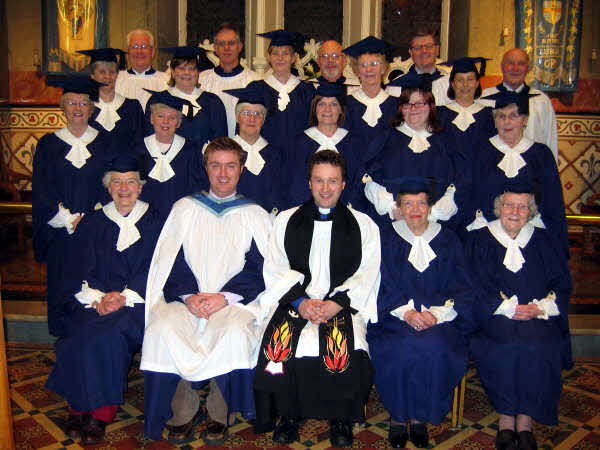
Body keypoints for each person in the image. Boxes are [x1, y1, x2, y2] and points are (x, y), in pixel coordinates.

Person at [141, 137, 272, 444]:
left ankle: (218, 409)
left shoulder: (254, 214)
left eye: (230, 166)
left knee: (233, 333)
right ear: (206, 168)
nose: (223, 173)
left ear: (241, 169)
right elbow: (167, 261)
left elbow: (262, 267)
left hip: (233, 301)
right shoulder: (184, 208)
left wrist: (223, 297)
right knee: (164, 328)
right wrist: (189, 297)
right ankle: (182, 409)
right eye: (216, 165)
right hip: (187, 299)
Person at [253, 150, 380, 447]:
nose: (325, 189)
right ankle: (288, 415)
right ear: (309, 183)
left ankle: (341, 418)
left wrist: (336, 303)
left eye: (332, 181)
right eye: (319, 181)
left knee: (349, 346)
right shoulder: (286, 221)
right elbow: (275, 267)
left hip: (341, 303)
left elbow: (367, 273)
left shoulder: (364, 225)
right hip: (296, 301)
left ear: (344, 184)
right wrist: (301, 302)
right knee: (283, 344)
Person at [45, 155, 162, 445]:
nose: (124, 188)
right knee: (78, 331)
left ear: (141, 186)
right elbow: (77, 267)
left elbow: (159, 267)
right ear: (108, 188)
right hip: (95, 301)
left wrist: (124, 297)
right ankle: (79, 405)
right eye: (117, 182)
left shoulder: (157, 221)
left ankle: (99, 411)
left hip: (137, 304)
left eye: (131, 182)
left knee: (108, 334)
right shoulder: (93, 222)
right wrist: (98, 299)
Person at [366, 177, 473, 448]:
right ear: (399, 208)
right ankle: (399, 418)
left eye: (421, 203)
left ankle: (421, 417)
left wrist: (436, 314)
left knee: (435, 347)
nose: (415, 209)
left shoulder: (448, 239)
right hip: (393, 317)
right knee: (400, 347)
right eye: (408, 204)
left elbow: (462, 284)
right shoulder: (384, 237)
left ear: (430, 206)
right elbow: (377, 282)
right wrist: (407, 313)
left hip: (440, 321)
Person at [467, 182, 572, 450]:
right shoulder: (479, 239)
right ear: (499, 208)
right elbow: (471, 285)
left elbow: (562, 283)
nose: (515, 211)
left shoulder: (545, 241)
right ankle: (505, 418)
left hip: (538, 316)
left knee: (540, 345)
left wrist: (540, 308)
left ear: (531, 211)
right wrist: (506, 308)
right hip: (495, 316)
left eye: (522, 206)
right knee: (506, 345)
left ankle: (525, 420)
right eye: (509, 205)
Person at [33, 76, 113, 337]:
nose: (78, 108)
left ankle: (91, 338)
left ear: (92, 109)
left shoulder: (105, 143)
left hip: (96, 230)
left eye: (83, 103)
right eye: (71, 103)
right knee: (63, 283)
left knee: (95, 280)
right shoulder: (48, 145)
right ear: (63, 107)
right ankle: (65, 341)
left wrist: (91, 219)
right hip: (61, 232)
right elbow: (42, 189)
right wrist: (68, 219)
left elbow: (113, 186)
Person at [468, 89, 569, 257]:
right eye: (501, 116)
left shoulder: (541, 154)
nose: (507, 122)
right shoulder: (480, 152)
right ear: (494, 121)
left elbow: (553, 201)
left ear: (525, 119)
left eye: (513, 115)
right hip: (487, 237)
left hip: (531, 236)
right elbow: (470, 196)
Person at [361, 79, 463, 231]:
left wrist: (433, 213)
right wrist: (392, 208)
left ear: (431, 106)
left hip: (436, 223)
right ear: (401, 108)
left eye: (420, 103)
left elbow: (459, 181)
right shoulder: (386, 138)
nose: (413, 109)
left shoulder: (445, 140)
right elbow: (369, 178)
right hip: (394, 223)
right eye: (407, 104)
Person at [436, 57, 496, 236]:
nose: (465, 85)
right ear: (452, 83)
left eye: (470, 79)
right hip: (447, 190)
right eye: (460, 80)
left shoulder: (488, 116)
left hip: (477, 188)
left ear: (477, 83)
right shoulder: (440, 114)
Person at [286, 82, 364, 209]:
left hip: (345, 214)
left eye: (333, 104)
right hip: (306, 213)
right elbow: (293, 184)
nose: (327, 109)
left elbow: (357, 184)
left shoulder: (354, 144)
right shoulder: (298, 143)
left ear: (340, 110)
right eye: (321, 104)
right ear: (314, 108)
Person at [133, 90, 204, 219]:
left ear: (178, 123)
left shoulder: (191, 151)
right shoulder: (137, 150)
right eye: (160, 116)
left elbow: (197, 189)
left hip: (181, 218)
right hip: (143, 219)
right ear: (151, 119)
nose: (165, 122)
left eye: (172, 118)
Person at [246, 30, 315, 160]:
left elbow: (314, 128)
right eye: (275, 53)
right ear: (269, 57)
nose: (280, 58)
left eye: (285, 53)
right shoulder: (256, 89)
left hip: (299, 159)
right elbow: (245, 129)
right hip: (264, 159)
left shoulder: (307, 91)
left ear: (294, 58)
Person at [480, 48, 558, 161]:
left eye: (521, 64)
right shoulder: (484, 99)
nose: (515, 68)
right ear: (502, 67)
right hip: (494, 168)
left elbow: (550, 139)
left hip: (532, 167)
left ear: (528, 68)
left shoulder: (541, 100)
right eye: (510, 63)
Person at [145, 46, 227, 146]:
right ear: (173, 72)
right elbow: (149, 140)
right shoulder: (159, 100)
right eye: (181, 68)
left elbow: (221, 143)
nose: (186, 73)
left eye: (191, 69)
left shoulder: (212, 102)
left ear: (198, 72)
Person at [224, 84, 283, 212]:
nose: (252, 118)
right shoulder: (224, 152)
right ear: (237, 117)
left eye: (258, 114)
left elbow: (280, 195)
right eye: (246, 113)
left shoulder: (275, 155)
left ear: (263, 120)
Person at [198, 22, 261, 137]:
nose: (226, 48)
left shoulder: (254, 81)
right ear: (215, 48)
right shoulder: (202, 80)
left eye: (231, 43)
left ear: (240, 47)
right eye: (221, 44)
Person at [78, 48, 145, 151]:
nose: (107, 76)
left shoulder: (132, 107)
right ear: (92, 75)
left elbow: (140, 144)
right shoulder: (83, 107)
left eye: (112, 72)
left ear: (117, 75)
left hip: (127, 166)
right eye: (102, 72)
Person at [342, 36, 398, 144]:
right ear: (357, 70)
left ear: (383, 68)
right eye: (363, 65)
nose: (369, 69)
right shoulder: (346, 104)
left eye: (374, 64)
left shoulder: (395, 105)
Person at [389, 28, 450, 106]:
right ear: (410, 52)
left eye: (429, 46)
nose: (424, 51)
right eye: (417, 47)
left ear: (437, 50)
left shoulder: (450, 85)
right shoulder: (396, 87)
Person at [115, 29, 169, 110]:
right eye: (135, 47)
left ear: (152, 52)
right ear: (128, 51)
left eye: (144, 47)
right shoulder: (116, 80)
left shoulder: (166, 81)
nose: (139, 51)